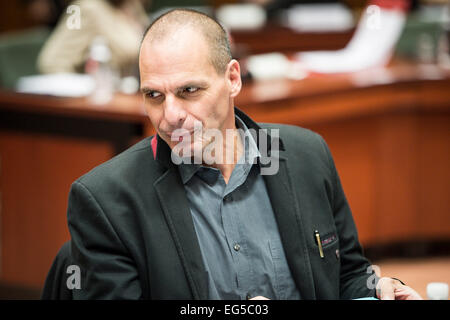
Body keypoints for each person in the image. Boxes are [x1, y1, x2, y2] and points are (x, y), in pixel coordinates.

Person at [66, 9, 422, 300]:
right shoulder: (106, 199)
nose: (170, 115)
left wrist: (376, 289)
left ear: (233, 78)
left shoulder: (304, 155)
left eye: (189, 90)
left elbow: (346, 275)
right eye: (154, 96)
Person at [37, 0, 149, 76]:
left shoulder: (131, 5)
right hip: (106, 99)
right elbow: (51, 62)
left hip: (136, 95)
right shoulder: (88, 7)